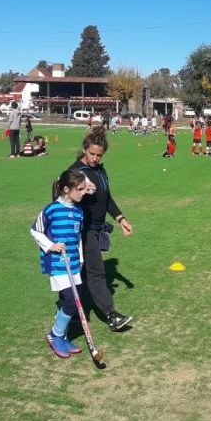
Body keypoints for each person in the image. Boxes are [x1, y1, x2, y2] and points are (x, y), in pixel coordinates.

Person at [68, 127, 134, 332]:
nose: (95, 158)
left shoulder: (99, 170)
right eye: (91, 154)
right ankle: (111, 315)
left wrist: (120, 217)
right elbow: (60, 196)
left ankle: (70, 312)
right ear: (84, 150)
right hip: (83, 230)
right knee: (96, 272)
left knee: (84, 273)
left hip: (96, 228)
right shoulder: (75, 173)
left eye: (99, 155)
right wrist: (81, 192)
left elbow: (107, 198)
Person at [29, 168, 95, 358]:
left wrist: (81, 259)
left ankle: (63, 337)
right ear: (66, 189)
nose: (84, 193)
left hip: (74, 263)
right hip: (58, 264)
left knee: (67, 301)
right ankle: (55, 335)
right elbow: (35, 231)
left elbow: (77, 239)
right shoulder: (51, 210)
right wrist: (51, 245)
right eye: (80, 189)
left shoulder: (78, 212)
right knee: (71, 301)